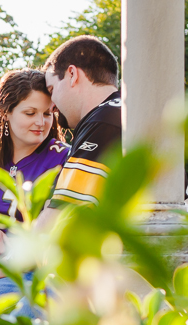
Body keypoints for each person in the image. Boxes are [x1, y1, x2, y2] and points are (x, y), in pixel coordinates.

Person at [0, 68, 69, 298]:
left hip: (25, 271)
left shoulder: (63, 158)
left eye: (47, 114)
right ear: (6, 112)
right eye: (30, 113)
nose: (41, 122)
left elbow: (46, 239)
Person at [35, 35, 122, 230]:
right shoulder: (125, 109)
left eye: (51, 89)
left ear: (72, 74)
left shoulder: (103, 121)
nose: (52, 107)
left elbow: (57, 219)